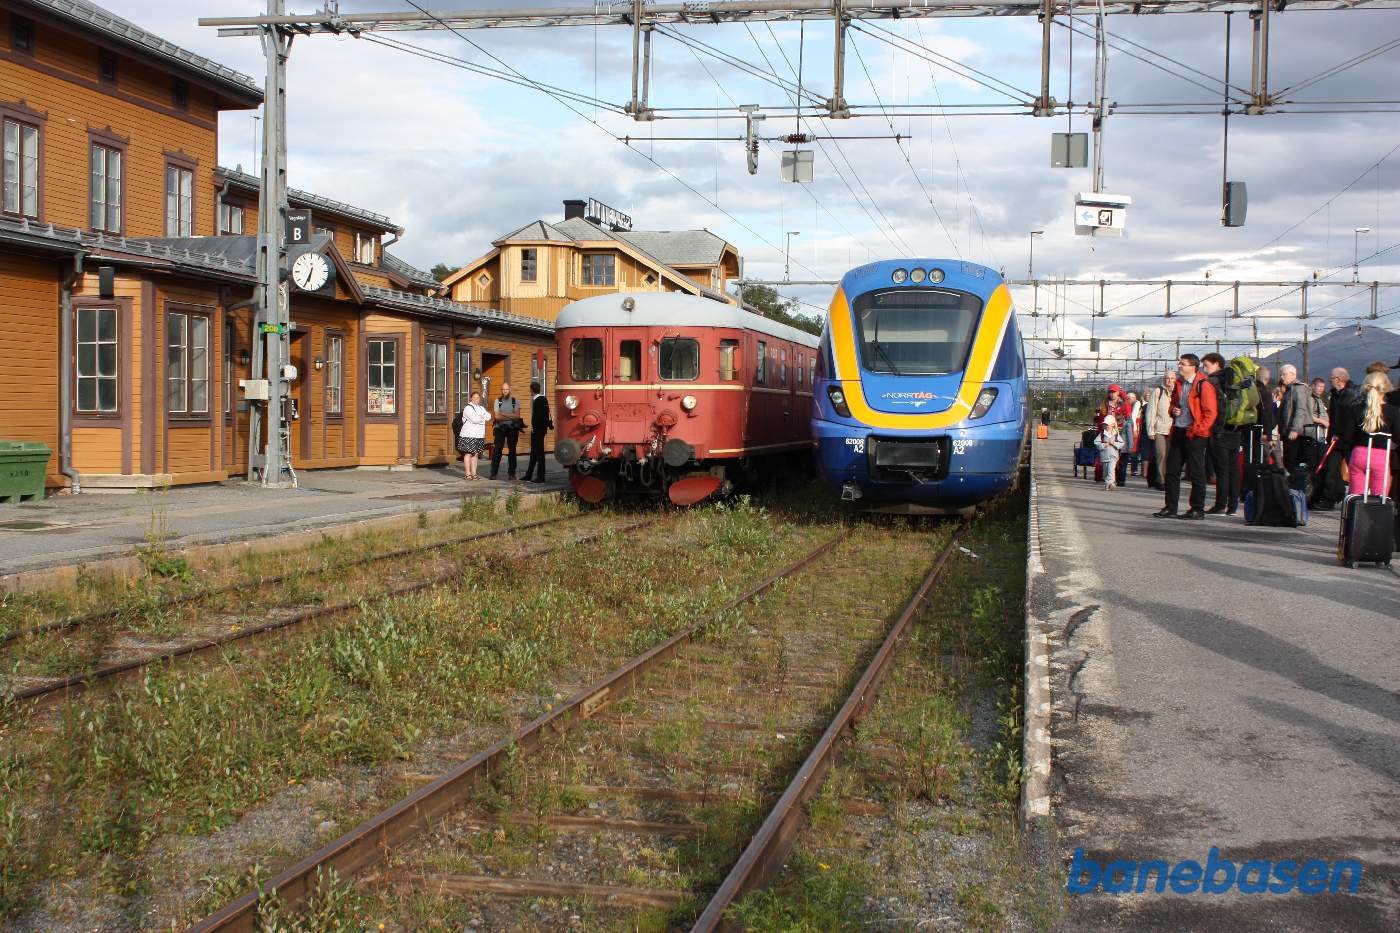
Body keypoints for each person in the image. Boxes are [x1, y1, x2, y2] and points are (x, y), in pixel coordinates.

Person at [1156, 353, 1217, 520]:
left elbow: (1211, 413)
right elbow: (1174, 405)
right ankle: (1171, 507)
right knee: (1172, 471)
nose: (1180, 366)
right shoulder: (1179, 384)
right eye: (1180, 363)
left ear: (1193, 367)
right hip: (1179, 430)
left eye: (1183, 364)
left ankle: (1197, 509)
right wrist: (1173, 410)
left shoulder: (1203, 385)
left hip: (1195, 434)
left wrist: (1198, 430)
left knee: (1196, 472)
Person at [1347, 371, 1398, 497]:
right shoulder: (1392, 411)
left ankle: (1357, 516)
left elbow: (1347, 435)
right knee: (1380, 499)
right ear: (1385, 388)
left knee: (1356, 497)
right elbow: (1398, 437)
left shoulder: (1356, 408)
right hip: (1380, 456)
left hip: (1359, 453)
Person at [1314, 368, 1359, 510]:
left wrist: (1342, 434)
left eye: (1331, 379)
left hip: (1348, 439)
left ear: (1339, 379)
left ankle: (1353, 497)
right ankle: (1330, 498)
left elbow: (1348, 419)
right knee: (1331, 468)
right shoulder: (1335, 395)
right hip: (1336, 439)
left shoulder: (1350, 395)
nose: (1330, 382)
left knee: (1353, 469)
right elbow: (1334, 417)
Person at [1201, 353, 1241, 515]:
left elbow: (1213, 408)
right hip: (1236, 429)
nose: (1205, 369)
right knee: (1234, 470)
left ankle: (1220, 504)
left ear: (1217, 364)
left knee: (1222, 470)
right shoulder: (1235, 381)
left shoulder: (1213, 382)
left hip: (1220, 431)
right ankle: (1233, 506)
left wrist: (1214, 429)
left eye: (1207, 365)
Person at [1146, 370, 1177, 490]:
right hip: (1159, 428)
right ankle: (1161, 480)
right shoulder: (1158, 392)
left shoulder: (1177, 392)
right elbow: (1151, 411)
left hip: (1173, 429)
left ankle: (1167, 478)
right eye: (1167, 378)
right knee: (1161, 454)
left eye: (1172, 378)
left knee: (1170, 456)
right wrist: (1150, 430)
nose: (1169, 381)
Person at [490, 381, 524, 480]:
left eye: (507, 389)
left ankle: (512, 474)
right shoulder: (498, 401)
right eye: (503, 389)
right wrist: (510, 417)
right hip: (499, 428)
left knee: (512, 451)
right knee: (497, 450)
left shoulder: (515, 401)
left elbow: (517, 416)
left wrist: (504, 414)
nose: (505, 391)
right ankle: (493, 473)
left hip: (512, 428)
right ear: (501, 390)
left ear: (510, 390)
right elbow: (497, 416)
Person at [521, 380, 553, 483]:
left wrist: (535, 428)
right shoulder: (544, 399)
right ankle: (529, 475)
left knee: (539, 454)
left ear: (531, 390)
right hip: (540, 430)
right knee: (534, 454)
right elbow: (547, 414)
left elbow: (539, 417)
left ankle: (541, 477)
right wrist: (548, 424)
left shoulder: (538, 400)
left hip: (538, 431)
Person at [458, 391, 490, 480]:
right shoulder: (468, 408)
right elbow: (475, 419)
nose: (476, 399)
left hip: (479, 435)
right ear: (471, 398)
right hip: (469, 434)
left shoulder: (481, 408)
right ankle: (467, 474)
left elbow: (489, 416)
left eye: (478, 397)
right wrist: (482, 417)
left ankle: (474, 473)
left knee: (475, 454)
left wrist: (481, 416)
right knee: (468, 453)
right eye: (474, 397)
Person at [1096, 414, 1124, 490]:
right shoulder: (1102, 434)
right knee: (1105, 472)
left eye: (1108, 424)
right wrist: (1103, 445)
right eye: (1105, 424)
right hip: (1104, 456)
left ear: (1112, 425)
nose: (1106, 426)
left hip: (1113, 456)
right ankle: (1108, 483)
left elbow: (1121, 443)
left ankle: (1110, 484)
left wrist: (1114, 444)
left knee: (1111, 470)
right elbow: (1096, 443)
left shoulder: (1116, 434)